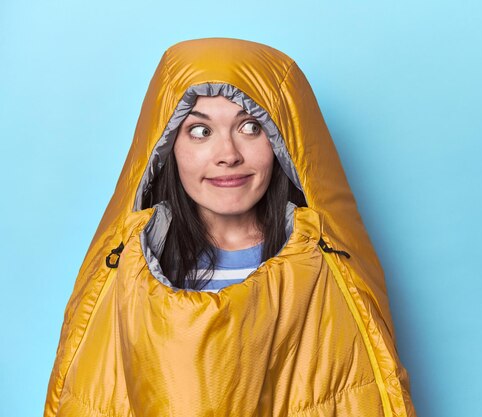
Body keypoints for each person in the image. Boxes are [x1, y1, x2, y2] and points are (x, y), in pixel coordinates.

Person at [44, 38, 417, 417]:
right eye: (201, 131)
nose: (228, 155)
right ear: (166, 145)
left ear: (281, 142)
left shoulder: (330, 272)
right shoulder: (123, 273)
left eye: (250, 127)